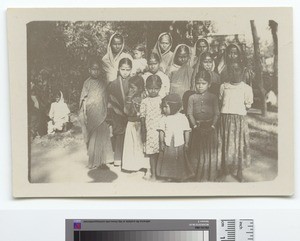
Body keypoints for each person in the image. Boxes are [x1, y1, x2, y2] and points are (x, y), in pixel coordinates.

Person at [219, 64, 253, 182]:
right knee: (225, 142)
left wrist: (237, 111)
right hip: (225, 119)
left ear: (242, 74)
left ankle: (239, 170)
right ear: (229, 73)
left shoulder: (246, 88)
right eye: (232, 72)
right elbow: (220, 100)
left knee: (239, 144)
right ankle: (225, 168)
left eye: (238, 72)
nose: (235, 74)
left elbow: (248, 105)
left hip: (239, 120)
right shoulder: (224, 86)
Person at [79, 60, 113, 169]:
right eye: (93, 69)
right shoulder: (87, 82)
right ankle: (93, 160)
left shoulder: (103, 82)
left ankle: (103, 161)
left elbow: (106, 97)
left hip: (102, 112)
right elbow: (83, 98)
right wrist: (84, 111)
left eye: (97, 69)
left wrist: (107, 109)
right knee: (93, 136)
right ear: (89, 70)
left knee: (102, 135)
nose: (95, 71)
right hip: (91, 112)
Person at [187, 70, 220, 181]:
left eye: (203, 83)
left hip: (210, 128)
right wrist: (195, 126)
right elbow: (190, 113)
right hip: (197, 128)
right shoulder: (192, 98)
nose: (200, 86)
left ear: (209, 84)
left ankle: (208, 175)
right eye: (198, 83)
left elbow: (216, 113)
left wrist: (212, 126)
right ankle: (196, 175)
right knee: (197, 151)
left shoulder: (213, 97)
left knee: (208, 152)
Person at [156, 93, 194, 181]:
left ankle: (179, 175)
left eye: (166, 107)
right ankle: (169, 175)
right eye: (163, 107)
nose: (163, 109)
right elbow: (161, 131)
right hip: (168, 143)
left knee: (179, 159)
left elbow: (186, 130)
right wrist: (161, 142)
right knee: (168, 159)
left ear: (174, 107)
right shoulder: (164, 118)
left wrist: (187, 143)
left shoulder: (182, 118)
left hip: (179, 142)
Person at [122, 75, 150, 174]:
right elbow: (126, 111)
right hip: (131, 123)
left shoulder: (144, 96)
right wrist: (129, 97)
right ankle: (132, 165)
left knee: (140, 144)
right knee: (132, 144)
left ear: (140, 87)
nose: (131, 89)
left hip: (141, 123)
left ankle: (142, 165)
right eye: (130, 87)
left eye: (133, 87)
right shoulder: (129, 96)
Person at [107, 58, 132, 167]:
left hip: (130, 114)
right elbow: (111, 100)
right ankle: (118, 158)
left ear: (131, 70)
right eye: (123, 69)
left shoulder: (133, 82)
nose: (125, 72)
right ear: (118, 69)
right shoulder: (113, 84)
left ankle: (129, 159)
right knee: (119, 134)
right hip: (117, 113)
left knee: (130, 135)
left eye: (127, 69)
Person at [140, 75, 163, 180]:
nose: (153, 91)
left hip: (160, 131)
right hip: (150, 132)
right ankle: (153, 174)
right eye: (150, 88)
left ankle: (160, 173)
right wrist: (143, 129)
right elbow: (142, 116)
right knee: (152, 154)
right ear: (146, 88)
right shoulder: (144, 101)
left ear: (160, 88)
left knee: (161, 152)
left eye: (156, 88)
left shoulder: (162, 100)